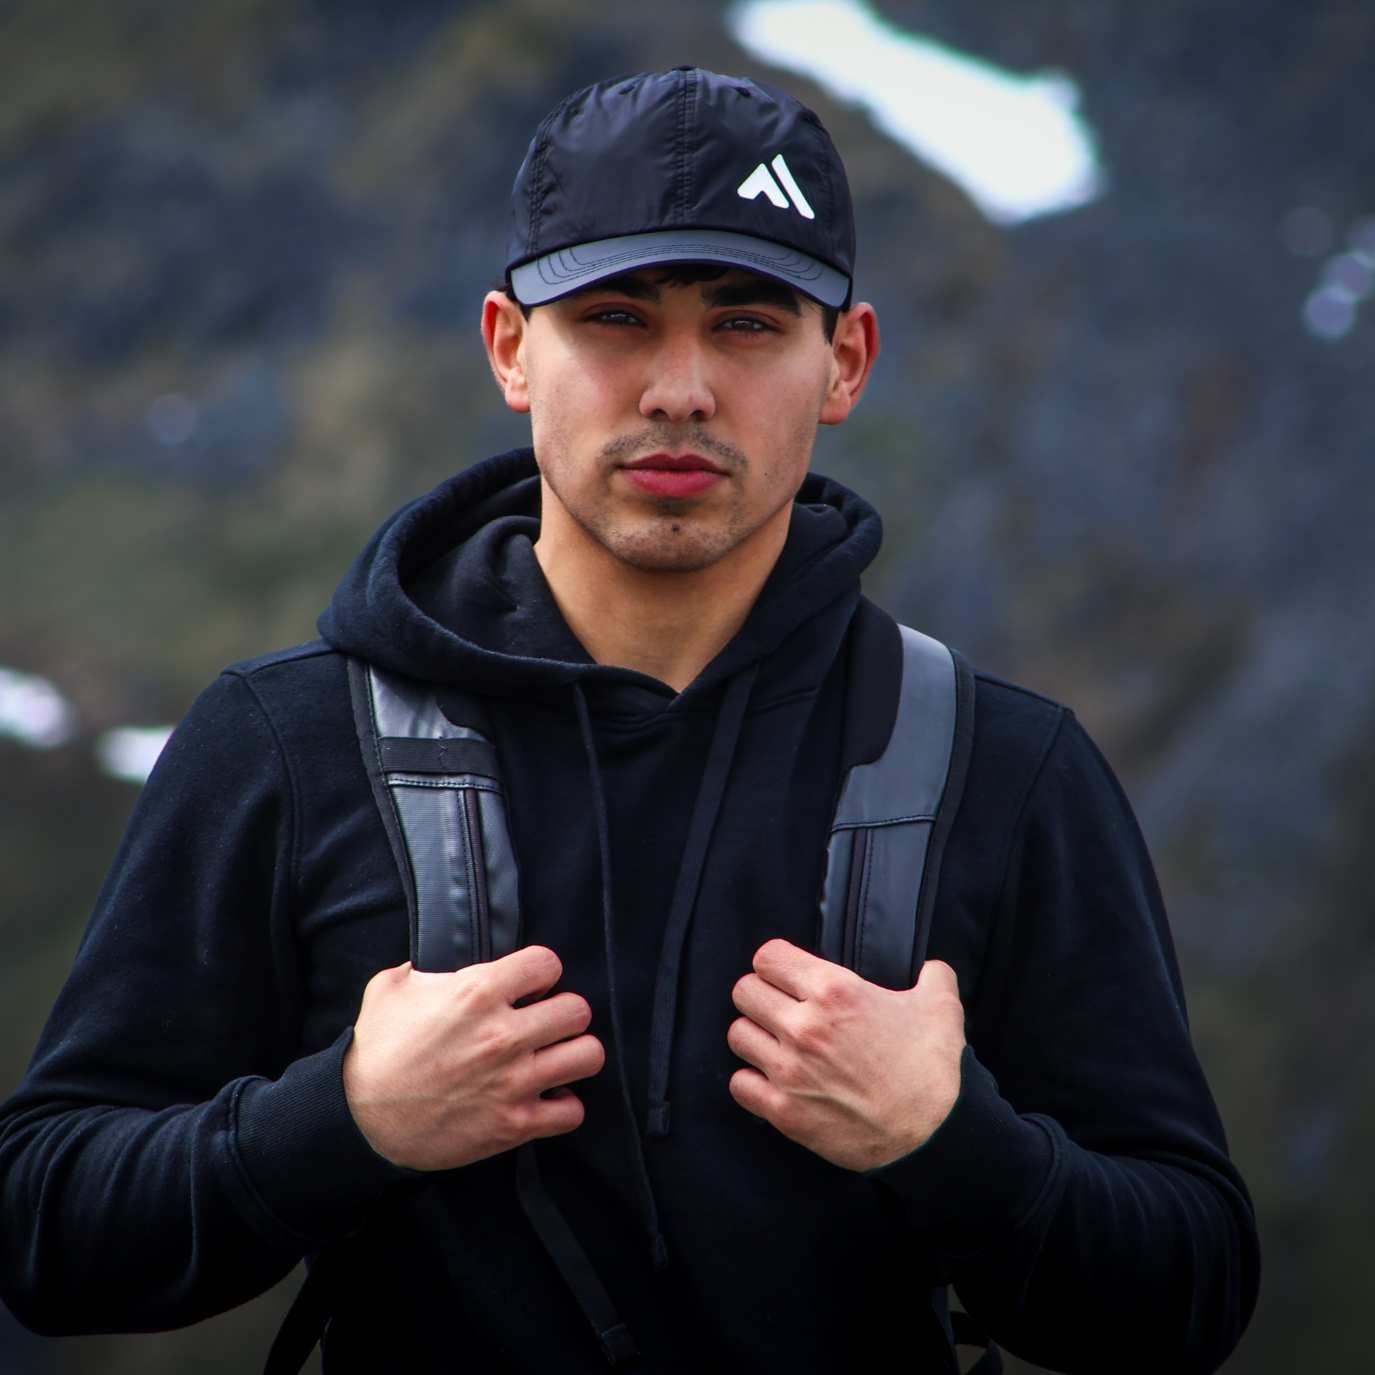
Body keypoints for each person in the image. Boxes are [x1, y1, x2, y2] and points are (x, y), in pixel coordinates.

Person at [1, 66, 1257, 1373]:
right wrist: (349, 1114)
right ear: (507, 349)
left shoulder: (1007, 770)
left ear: (847, 362)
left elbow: (1191, 1290)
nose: (679, 388)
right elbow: (46, 1228)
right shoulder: (285, 743)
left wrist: (947, 1138)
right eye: (613, 319)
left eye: (748, 324)